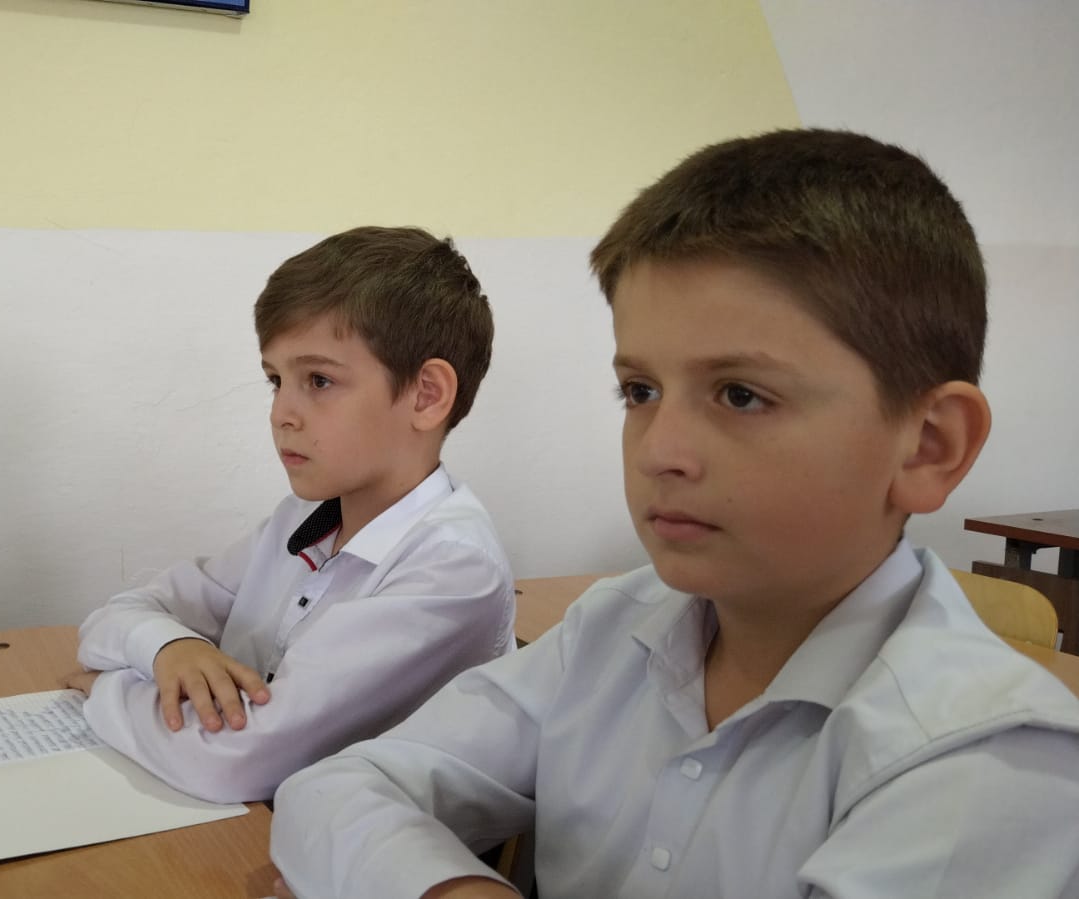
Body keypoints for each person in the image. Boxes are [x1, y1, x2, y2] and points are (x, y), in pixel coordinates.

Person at [270, 130, 1079, 898]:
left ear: (927, 446)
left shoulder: (988, 765)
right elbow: (336, 787)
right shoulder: (611, 629)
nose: (659, 450)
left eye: (740, 394)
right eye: (640, 390)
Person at [63, 226, 516, 804]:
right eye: (276, 380)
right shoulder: (302, 519)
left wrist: (103, 688)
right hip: (248, 821)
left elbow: (230, 762)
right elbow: (115, 617)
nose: (282, 413)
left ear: (426, 395)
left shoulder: (453, 569)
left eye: (319, 380)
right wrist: (166, 648)